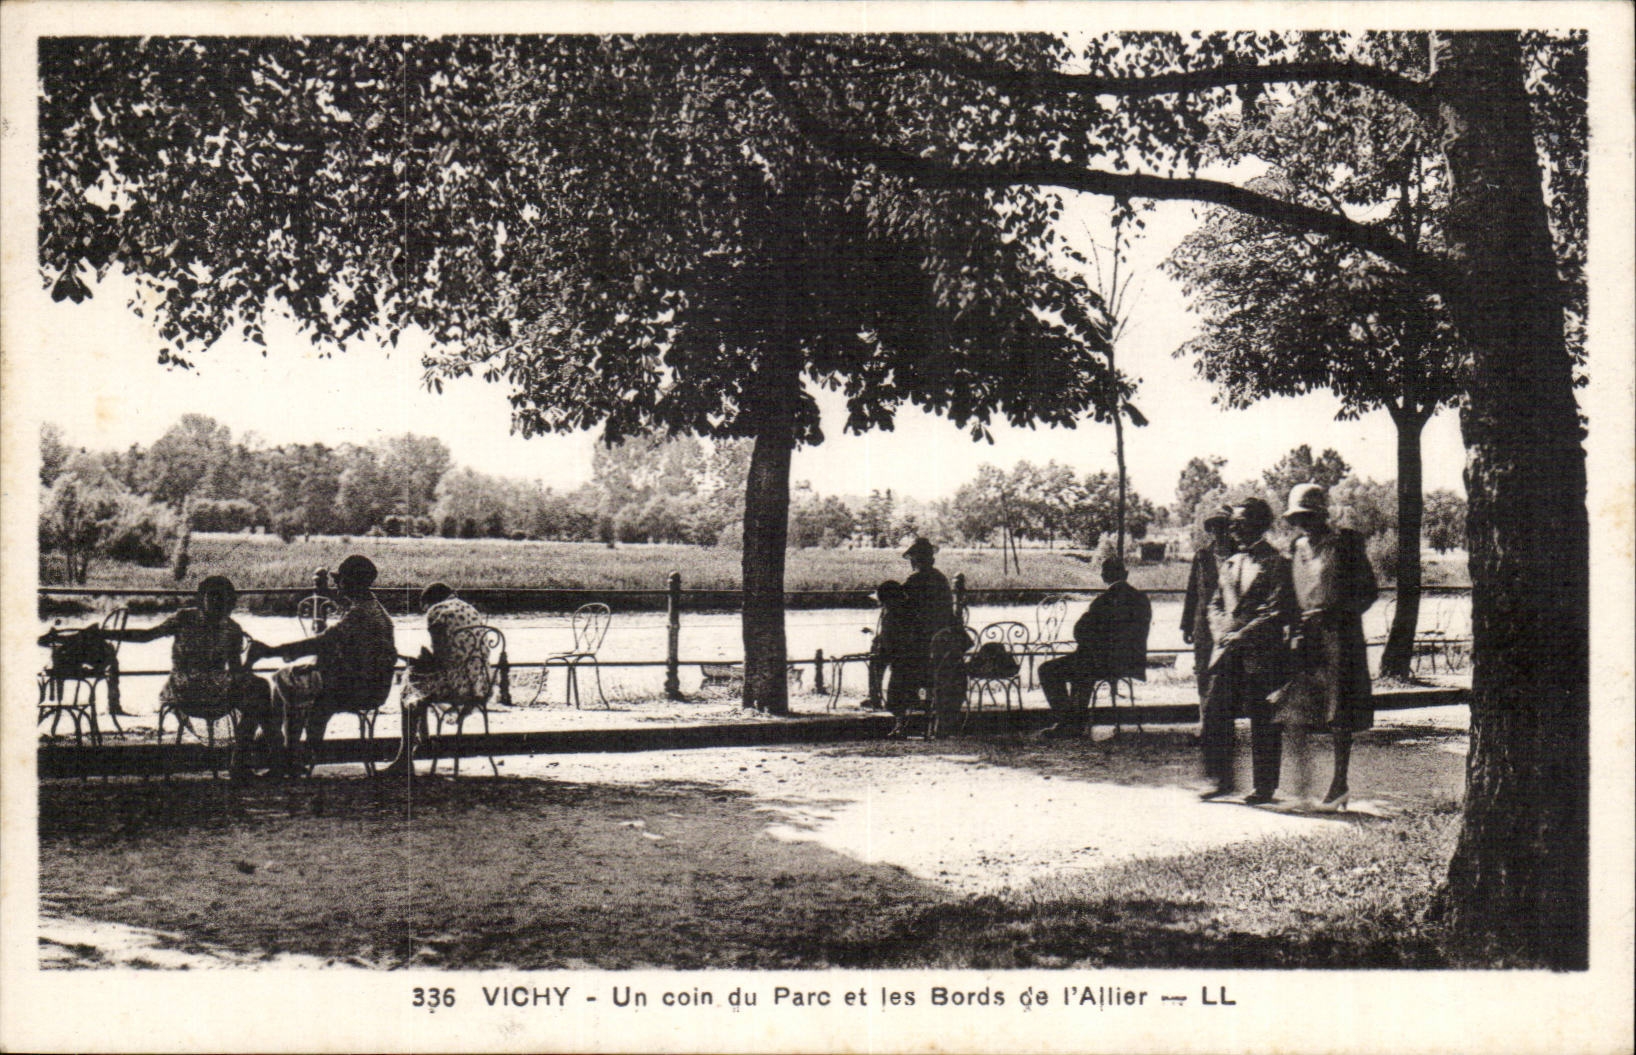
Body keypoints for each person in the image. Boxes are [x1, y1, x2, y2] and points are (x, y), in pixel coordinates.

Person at [101, 576, 276, 775]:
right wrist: (106, 634)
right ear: (202, 598)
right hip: (183, 687)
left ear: (230, 602)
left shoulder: (232, 629)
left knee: (258, 693)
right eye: (213, 596)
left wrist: (251, 662)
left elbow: (236, 672)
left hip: (218, 688)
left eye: (223, 598)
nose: (217, 602)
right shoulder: (184, 618)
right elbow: (147, 635)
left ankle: (248, 760)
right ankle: (266, 758)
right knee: (259, 692)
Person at [1278, 483, 1379, 812]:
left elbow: (1368, 592)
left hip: (1339, 635)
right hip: (1306, 637)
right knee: (1297, 708)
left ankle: (1339, 784)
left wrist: (1335, 612)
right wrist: (1293, 627)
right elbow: (1292, 596)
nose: (1304, 523)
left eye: (1308, 516)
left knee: (1339, 713)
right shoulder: (1297, 547)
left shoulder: (1345, 543)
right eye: (1297, 518)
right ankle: (1299, 787)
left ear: (1322, 514)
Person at [250, 554, 397, 775]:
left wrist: (270, 651)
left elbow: (322, 643)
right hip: (373, 687)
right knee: (292, 676)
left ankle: (286, 754)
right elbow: (344, 650)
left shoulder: (359, 614)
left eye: (342, 581)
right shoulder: (374, 609)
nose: (338, 585)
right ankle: (282, 750)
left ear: (352, 583)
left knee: (287, 678)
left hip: (359, 690)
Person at [1200, 499, 1296, 804]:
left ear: (1258, 524)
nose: (1233, 527)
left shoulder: (1277, 562)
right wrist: (1222, 633)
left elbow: (1275, 610)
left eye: (1240, 522)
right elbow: (1215, 604)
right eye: (1233, 523)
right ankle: (1222, 780)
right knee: (1216, 712)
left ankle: (1264, 787)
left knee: (1263, 718)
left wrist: (1241, 636)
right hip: (1227, 651)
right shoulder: (1231, 562)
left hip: (1261, 652)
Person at [1038, 557, 1153, 738]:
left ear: (1103, 576)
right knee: (1082, 666)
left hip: (1101, 663)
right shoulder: (1142, 599)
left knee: (1048, 670)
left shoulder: (1103, 601)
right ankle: (1074, 722)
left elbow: (1080, 631)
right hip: (1131, 662)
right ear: (1126, 574)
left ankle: (1069, 722)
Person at [382, 583, 487, 777]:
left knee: (409, 683)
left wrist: (406, 657)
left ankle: (406, 756)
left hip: (455, 684)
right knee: (418, 679)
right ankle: (424, 740)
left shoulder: (436, 611)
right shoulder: (469, 609)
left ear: (428, 603)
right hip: (480, 682)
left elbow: (437, 657)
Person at [887, 537, 964, 735]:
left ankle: (900, 721)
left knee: (896, 662)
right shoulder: (941, 579)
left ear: (915, 560)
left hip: (923, 652)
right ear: (932, 560)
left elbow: (904, 611)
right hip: (944, 649)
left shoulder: (914, 581)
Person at [1181, 506, 1236, 703]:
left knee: (1228, 676)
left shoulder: (1241, 554)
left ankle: (1226, 729)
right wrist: (1187, 625)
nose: (1219, 532)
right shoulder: (1202, 556)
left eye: (1223, 526)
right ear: (1210, 530)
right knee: (1204, 672)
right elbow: (1192, 593)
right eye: (1214, 527)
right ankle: (1206, 726)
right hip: (1203, 624)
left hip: (1230, 624)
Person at [861, 580, 906, 712]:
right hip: (902, 650)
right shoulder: (903, 610)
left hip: (893, 652)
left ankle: (875, 698)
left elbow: (888, 640)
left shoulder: (889, 614)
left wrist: (877, 642)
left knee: (875, 660)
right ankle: (876, 697)